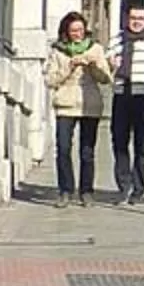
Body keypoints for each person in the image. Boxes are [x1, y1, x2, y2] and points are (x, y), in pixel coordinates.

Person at [45, 11, 111, 203]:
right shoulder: (58, 51)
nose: (77, 34)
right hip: (65, 104)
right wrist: (70, 67)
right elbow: (50, 80)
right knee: (63, 148)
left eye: (80, 30)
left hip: (89, 104)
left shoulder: (95, 49)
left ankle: (86, 191)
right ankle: (65, 189)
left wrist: (92, 66)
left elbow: (106, 78)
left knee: (87, 150)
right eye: (73, 31)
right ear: (66, 31)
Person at [108, 3, 144, 201]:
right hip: (122, 93)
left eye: (140, 18)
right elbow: (106, 68)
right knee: (119, 141)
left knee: (142, 144)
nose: (136, 22)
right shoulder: (116, 41)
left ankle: (138, 187)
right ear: (126, 20)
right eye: (133, 18)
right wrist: (110, 64)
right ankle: (123, 184)